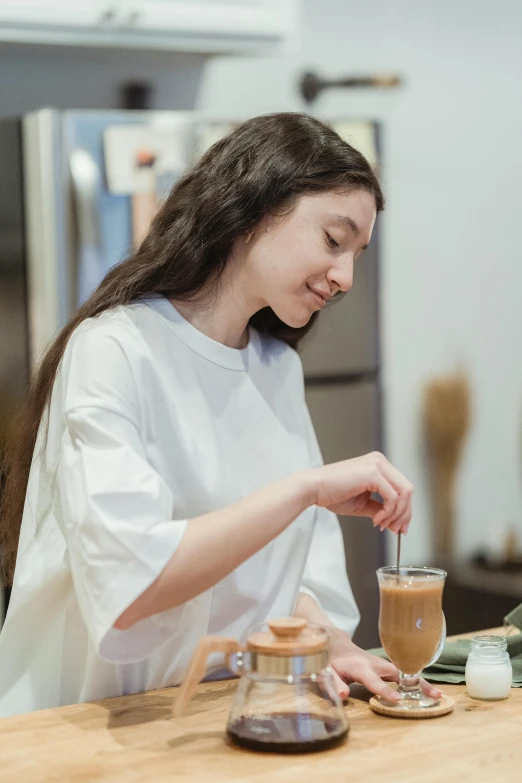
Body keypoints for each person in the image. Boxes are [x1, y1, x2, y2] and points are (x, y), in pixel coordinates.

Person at [0, 112, 441, 716]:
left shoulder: (274, 369)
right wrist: (305, 490)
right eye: (334, 241)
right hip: (83, 730)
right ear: (254, 209)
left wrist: (326, 637)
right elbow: (132, 584)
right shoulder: (115, 350)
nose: (345, 277)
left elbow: (297, 574)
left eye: (358, 254)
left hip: (215, 719)